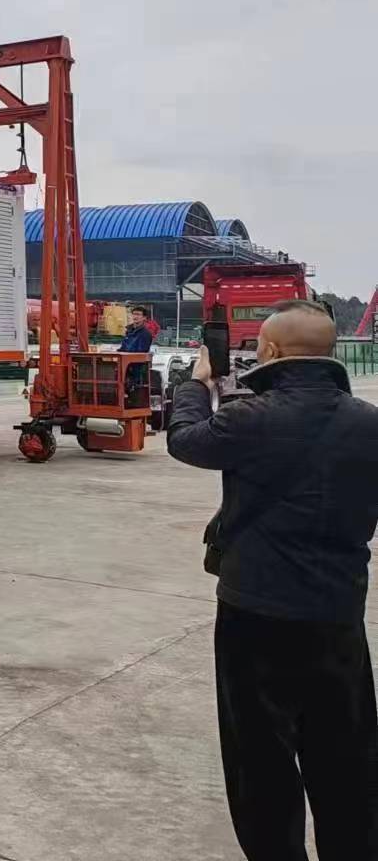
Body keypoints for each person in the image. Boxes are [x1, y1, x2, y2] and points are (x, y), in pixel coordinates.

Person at [167, 300, 378, 860]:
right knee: (346, 756)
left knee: (259, 757)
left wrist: (196, 383)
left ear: (272, 350)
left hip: (254, 611)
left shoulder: (249, 418)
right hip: (337, 613)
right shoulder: (369, 424)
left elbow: (185, 439)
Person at [120, 305, 155, 405]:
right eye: (134, 314)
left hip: (135, 368)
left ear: (144, 318)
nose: (135, 316)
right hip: (125, 364)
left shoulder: (145, 334)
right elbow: (123, 347)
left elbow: (141, 352)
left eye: (138, 314)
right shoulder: (129, 331)